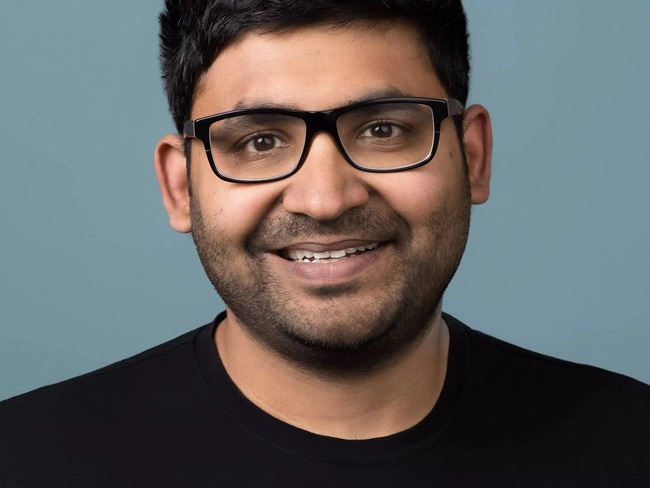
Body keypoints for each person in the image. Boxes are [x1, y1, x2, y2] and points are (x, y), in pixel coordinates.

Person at [1, 0, 648, 486]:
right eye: (259, 140)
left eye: (384, 130)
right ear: (179, 188)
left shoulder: (629, 445)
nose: (325, 198)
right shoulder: (27, 460)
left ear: (472, 156)